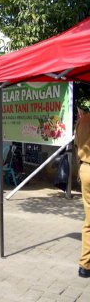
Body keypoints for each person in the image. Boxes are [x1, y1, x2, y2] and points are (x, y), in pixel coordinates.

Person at [75, 108, 90, 278]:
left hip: (86, 169)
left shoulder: (82, 121)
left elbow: (78, 145)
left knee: (89, 220)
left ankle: (85, 266)